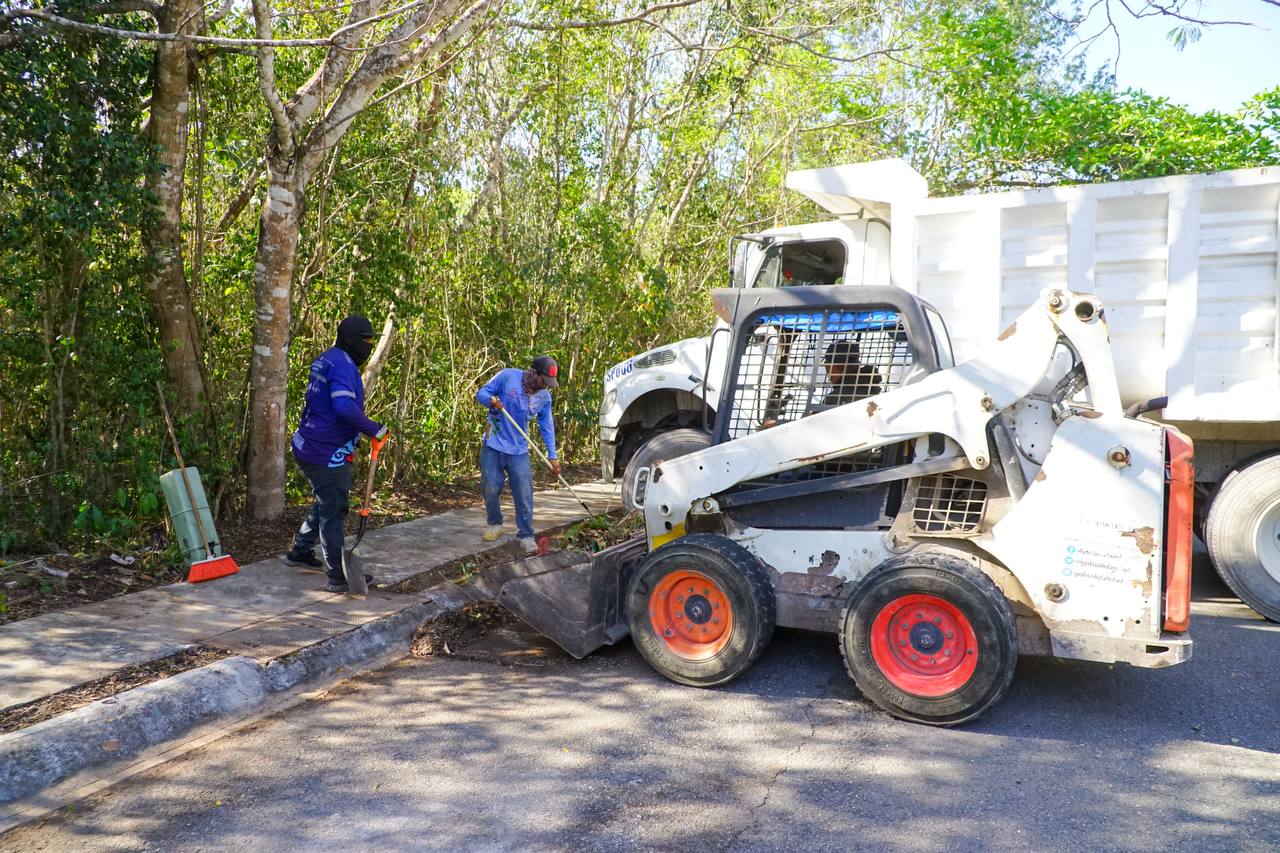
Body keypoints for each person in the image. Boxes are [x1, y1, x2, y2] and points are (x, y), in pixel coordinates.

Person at [283, 315, 389, 593]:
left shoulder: (327, 358)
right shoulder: (342, 365)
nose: (368, 346)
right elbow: (343, 407)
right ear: (353, 339)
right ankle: (337, 576)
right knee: (334, 510)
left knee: (325, 499)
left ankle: (299, 551)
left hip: (307, 444)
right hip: (325, 453)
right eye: (366, 340)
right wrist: (373, 429)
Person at [476, 355, 560, 553]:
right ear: (534, 373)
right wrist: (491, 400)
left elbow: (547, 426)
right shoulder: (507, 377)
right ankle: (495, 524)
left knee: (524, 493)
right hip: (494, 443)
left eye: (548, 383)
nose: (545, 386)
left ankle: (526, 535)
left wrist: (552, 455)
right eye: (543, 380)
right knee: (490, 486)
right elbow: (481, 392)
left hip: (519, 449)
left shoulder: (544, 397)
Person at [820, 339, 882, 406]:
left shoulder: (834, 399)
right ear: (857, 364)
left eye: (826, 363)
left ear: (832, 367)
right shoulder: (874, 392)